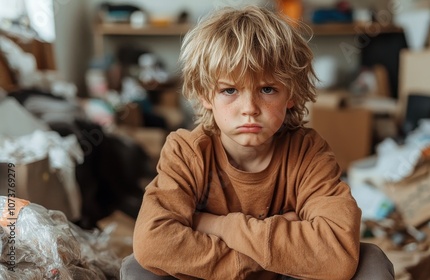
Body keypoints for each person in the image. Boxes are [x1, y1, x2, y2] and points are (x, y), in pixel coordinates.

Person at [121, 5, 394, 280]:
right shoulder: (186, 151)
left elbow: (336, 253)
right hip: (213, 274)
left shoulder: (308, 152)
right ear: (206, 95)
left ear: (291, 95)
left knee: (371, 262)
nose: (249, 108)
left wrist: (218, 225)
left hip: (285, 275)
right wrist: (260, 253)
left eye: (267, 89)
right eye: (229, 90)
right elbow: (153, 242)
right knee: (137, 268)